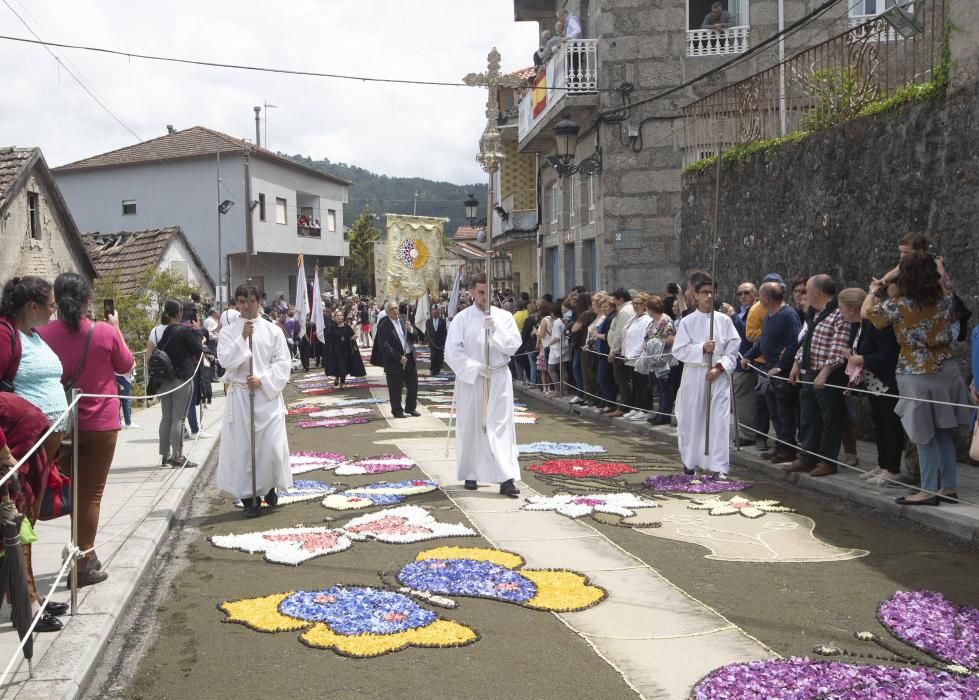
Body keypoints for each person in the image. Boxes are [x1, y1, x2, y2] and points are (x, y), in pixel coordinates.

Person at [37, 272, 134, 587]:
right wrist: (116, 328)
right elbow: (126, 365)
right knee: (91, 494)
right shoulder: (104, 332)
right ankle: (83, 562)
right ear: (86, 300)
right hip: (100, 421)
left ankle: (81, 553)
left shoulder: (41, 334)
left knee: (72, 490)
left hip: (59, 424)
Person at [863, 254, 970, 506]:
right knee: (944, 431)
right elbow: (946, 283)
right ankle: (948, 487)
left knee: (923, 434)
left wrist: (875, 288)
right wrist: (940, 265)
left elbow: (866, 313)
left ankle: (928, 490)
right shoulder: (946, 298)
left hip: (916, 370)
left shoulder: (900, 304)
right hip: (946, 367)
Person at [0, 276, 69, 630]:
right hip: (20, 444)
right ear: (32, 306)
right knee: (20, 521)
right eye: (50, 303)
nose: (54, 308)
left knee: (28, 520)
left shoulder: (28, 334)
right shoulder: (4, 334)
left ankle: (30, 596)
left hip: (41, 439)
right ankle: (24, 602)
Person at [216, 285, 292, 518]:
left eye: (249, 300)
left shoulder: (273, 331)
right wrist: (242, 338)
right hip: (240, 397)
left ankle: (268, 486)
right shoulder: (229, 332)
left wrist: (262, 379)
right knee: (245, 449)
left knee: (270, 447)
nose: (245, 306)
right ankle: (250, 498)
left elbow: (283, 363)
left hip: (265, 396)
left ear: (258, 301)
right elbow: (226, 361)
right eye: (240, 301)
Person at [445, 274, 523, 497]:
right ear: (471, 292)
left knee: (500, 426)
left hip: (498, 378)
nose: (485, 296)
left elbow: (513, 346)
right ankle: (471, 471)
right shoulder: (462, 319)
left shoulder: (504, 317)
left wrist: (495, 329)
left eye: (488, 292)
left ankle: (506, 477)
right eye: (480, 292)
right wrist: (474, 367)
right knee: (472, 425)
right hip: (473, 380)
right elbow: (452, 352)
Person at [0, 392, 67, 631]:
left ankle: (29, 600)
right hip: (15, 437)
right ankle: (25, 606)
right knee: (11, 534)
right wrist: (6, 455)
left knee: (20, 532)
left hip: (24, 431)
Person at [672, 275, 740, 477]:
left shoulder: (725, 321)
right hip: (695, 374)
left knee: (718, 421)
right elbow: (679, 350)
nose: (709, 296)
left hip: (717, 376)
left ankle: (719, 466)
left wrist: (720, 367)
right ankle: (690, 461)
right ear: (696, 295)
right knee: (692, 419)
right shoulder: (687, 322)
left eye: (712, 292)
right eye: (704, 292)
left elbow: (733, 349)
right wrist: (701, 348)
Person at [787, 275, 854, 477]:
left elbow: (838, 348)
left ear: (817, 292)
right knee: (808, 417)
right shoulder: (816, 313)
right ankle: (807, 457)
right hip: (810, 370)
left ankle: (827, 461)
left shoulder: (837, 314)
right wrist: (796, 363)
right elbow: (808, 341)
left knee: (830, 419)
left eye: (806, 290)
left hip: (828, 375)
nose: (803, 294)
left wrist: (824, 373)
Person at [838, 288, 904, 486]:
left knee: (890, 424)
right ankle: (883, 464)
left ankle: (892, 468)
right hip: (872, 382)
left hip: (885, 382)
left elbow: (889, 354)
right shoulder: (858, 327)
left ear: (853, 308)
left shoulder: (875, 326)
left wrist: (862, 358)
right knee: (879, 423)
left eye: (842, 308)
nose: (840, 312)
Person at [744, 282, 801, 463]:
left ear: (767, 298)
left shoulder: (788, 315)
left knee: (785, 411)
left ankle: (788, 448)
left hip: (780, 372)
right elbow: (763, 341)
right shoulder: (769, 316)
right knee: (774, 411)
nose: (759, 300)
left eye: (760, 296)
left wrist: (781, 366)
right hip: (768, 369)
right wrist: (748, 356)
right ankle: (780, 446)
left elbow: (795, 342)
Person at [148, 301, 202, 468]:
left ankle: (165, 455)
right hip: (181, 379)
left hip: (164, 380)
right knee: (179, 418)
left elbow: (151, 354)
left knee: (166, 418)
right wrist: (198, 331)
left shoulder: (161, 331)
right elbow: (198, 349)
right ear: (179, 313)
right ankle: (178, 457)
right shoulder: (184, 330)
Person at [723, 281, 760, 448]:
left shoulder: (755, 310)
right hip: (736, 360)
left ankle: (749, 434)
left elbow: (749, 335)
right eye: (740, 293)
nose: (743, 296)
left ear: (755, 294)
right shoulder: (741, 312)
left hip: (748, 361)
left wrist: (733, 317)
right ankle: (747, 432)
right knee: (738, 400)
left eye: (747, 293)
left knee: (744, 400)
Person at [372, 301, 419, 418]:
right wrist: (398, 357)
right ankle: (397, 410)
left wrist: (411, 330)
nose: (395, 311)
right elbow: (384, 346)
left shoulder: (404, 319)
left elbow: (416, 337)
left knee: (413, 385)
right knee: (395, 388)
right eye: (392, 309)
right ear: (387, 312)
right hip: (395, 361)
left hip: (409, 358)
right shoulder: (384, 325)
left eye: (396, 308)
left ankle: (411, 408)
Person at [641, 296, 675, 426]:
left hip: (663, 360)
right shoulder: (652, 322)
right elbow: (647, 336)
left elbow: (671, 339)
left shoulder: (665, 321)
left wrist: (654, 343)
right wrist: (646, 343)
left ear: (651, 309)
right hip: (653, 360)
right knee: (659, 387)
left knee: (665, 387)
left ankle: (664, 414)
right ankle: (660, 412)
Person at [622, 294, 653, 421]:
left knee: (643, 384)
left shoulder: (647, 320)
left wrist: (631, 355)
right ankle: (636, 407)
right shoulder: (634, 318)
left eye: (639, 303)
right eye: (634, 303)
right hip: (630, 357)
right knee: (635, 383)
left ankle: (645, 409)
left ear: (645, 305)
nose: (636, 306)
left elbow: (643, 340)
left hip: (639, 357)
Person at [606, 289, 635, 417]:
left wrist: (613, 351)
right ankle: (626, 406)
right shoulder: (627, 309)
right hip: (625, 351)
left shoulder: (624, 311)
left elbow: (619, 333)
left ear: (620, 299)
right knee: (624, 380)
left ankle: (623, 407)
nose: (613, 303)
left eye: (614, 300)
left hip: (621, 352)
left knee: (622, 380)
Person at [324, 310, 366, 387]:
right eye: (338, 316)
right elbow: (328, 337)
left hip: (346, 350)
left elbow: (352, 335)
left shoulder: (347, 327)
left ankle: (342, 382)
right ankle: (337, 377)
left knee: (344, 366)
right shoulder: (332, 328)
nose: (340, 317)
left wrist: (353, 337)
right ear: (334, 318)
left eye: (341, 315)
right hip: (336, 351)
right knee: (338, 365)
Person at [425, 305, 448, 376]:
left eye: (436, 313)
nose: (434, 315)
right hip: (432, 342)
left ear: (438, 313)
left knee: (439, 356)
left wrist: (445, 342)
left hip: (440, 343)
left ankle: (437, 369)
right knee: (433, 356)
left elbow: (444, 332)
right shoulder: (428, 321)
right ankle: (432, 369)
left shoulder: (443, 321)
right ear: (431, 314)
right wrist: (428, 341)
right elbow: (427, 332)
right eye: (433, 313)